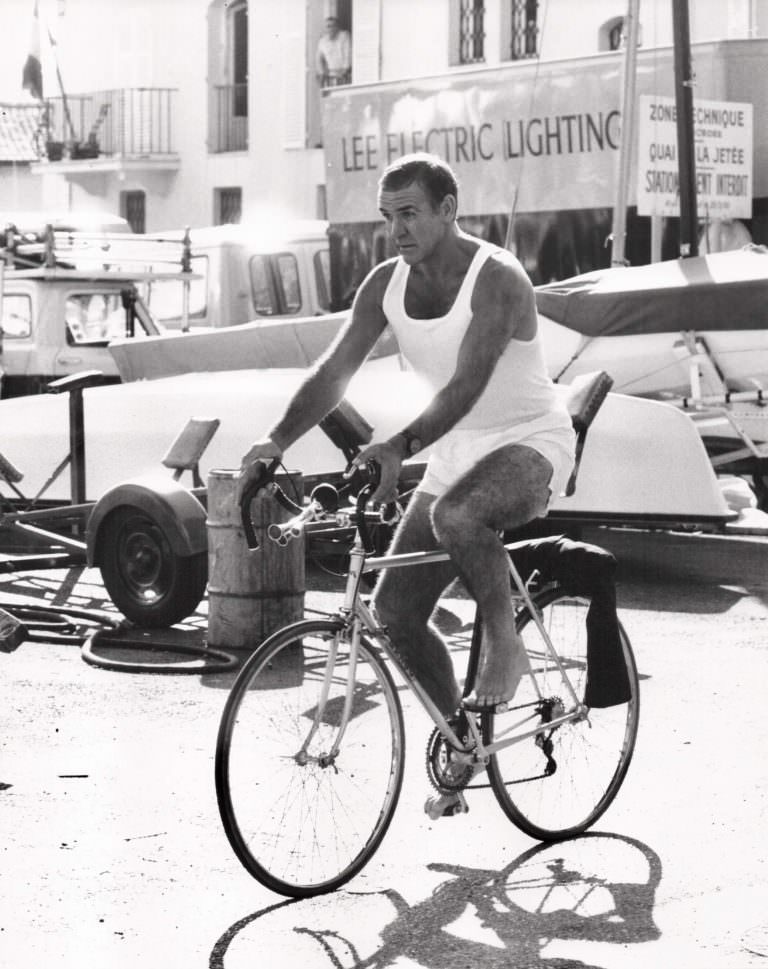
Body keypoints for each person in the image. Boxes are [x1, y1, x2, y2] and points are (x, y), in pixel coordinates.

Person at [236, 151, 575, 734]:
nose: (396, 230)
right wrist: (275, 440)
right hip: (455, 450)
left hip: (531, 441)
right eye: (387, 216)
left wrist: (396, 448)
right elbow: (333, 371)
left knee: (459, 515)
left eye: (410, 213)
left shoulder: (496, 277)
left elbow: (469, 384)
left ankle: (504, 644)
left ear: (448, 210)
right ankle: (461, 740)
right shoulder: (385, 285)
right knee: (394, 612)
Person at [315, 16, 351, 87]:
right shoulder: (323, 40)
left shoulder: (344, 36)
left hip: (344, 74)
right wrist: (321, 72)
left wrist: (345, 70)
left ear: (337, 27)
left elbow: (348, 54)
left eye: (333, 26)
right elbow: (318, 59)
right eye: (328, 26)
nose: (331, 29)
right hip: (330, 76)